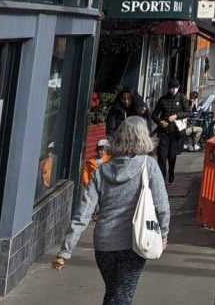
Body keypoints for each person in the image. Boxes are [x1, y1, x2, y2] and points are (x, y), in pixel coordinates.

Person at [52, 117, 169, 304]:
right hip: (134, 242)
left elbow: (83, 213)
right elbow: (162, 205)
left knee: (115, 293)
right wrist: (163, 235)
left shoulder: (101, 170)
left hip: (104, 244)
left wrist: (66, 251)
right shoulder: (149, 165)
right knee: (121, 296)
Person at [151, 80, 188, 183]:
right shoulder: (163, 99)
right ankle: (161, 179)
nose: (173, 90)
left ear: (178, 87)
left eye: (175, 88)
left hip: (175, 133)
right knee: (162, 156)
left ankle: (171, 171)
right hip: (163, 133)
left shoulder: (182, 98)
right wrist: (160, 122)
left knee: (172, 155)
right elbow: (154, 115)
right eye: (171, 88)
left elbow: (187, 112)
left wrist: (177, 116)